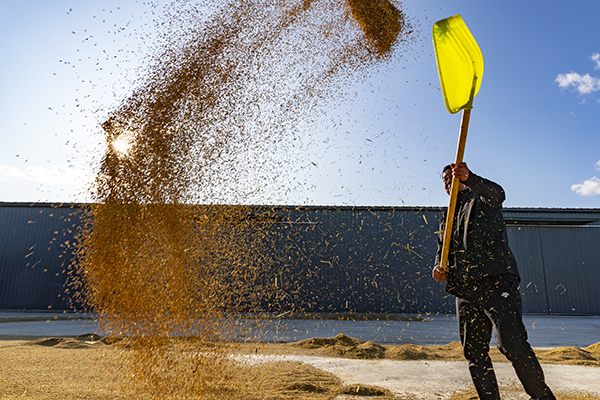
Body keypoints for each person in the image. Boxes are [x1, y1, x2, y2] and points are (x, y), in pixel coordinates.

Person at [432, 162, 555, 400]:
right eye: (445, 179)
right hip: (465, 290)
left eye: (453, 176)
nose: (449, 181)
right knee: (474, 352)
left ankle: (542, 397)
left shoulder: (480, 198)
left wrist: (471, 178)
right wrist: (438, 267)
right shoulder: (446, 215)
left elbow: (498, 194)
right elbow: (443, 250)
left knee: (512, 345)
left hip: (495, 282)